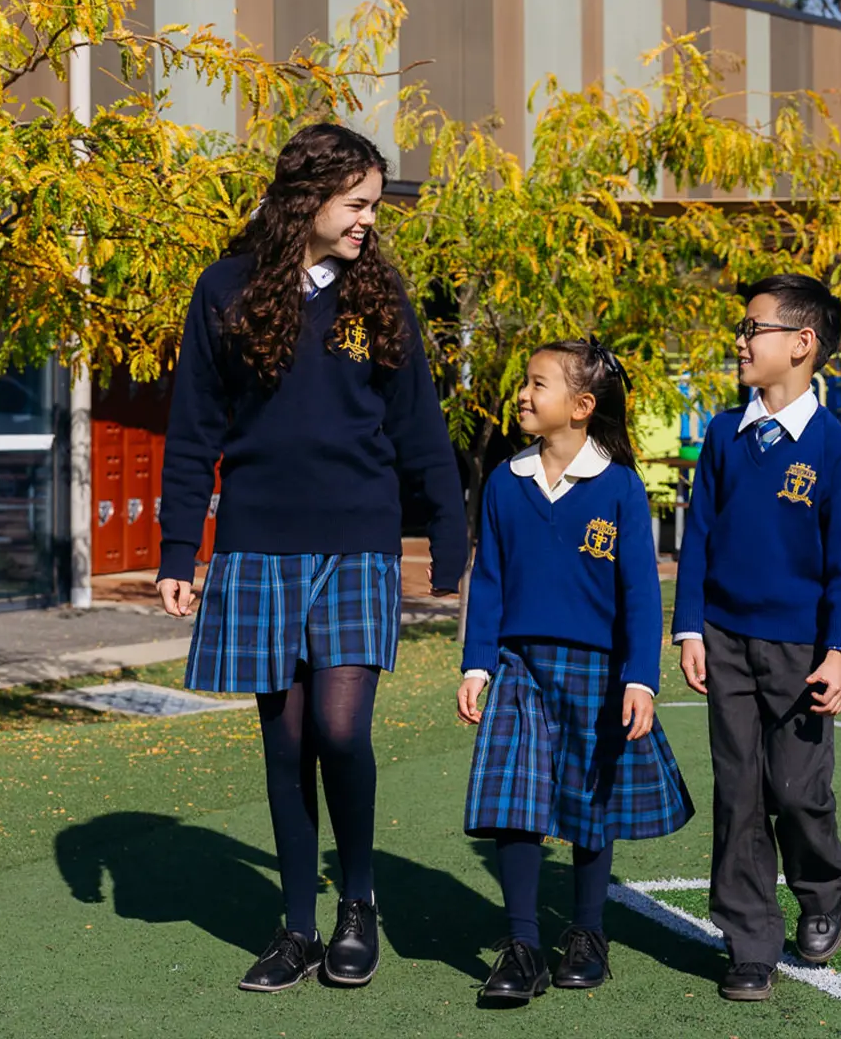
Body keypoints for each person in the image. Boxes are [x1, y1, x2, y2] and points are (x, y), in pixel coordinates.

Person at [156, 122, 467, 993]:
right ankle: (296, 927)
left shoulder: (379, 294)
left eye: (374, 205)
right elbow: (193, 429)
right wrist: (178, 549)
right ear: (308, 200)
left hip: (358, 539)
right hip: (257, 544)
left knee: (340, 728)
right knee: (285, 741)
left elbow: (417, 420)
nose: (370, 219)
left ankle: (356, 904)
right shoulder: (223, 289)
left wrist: (450, 531)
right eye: (356, 203)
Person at [457, 338, 694, 1003]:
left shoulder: (619, 486)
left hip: (599, 671)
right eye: (525, 382)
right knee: (514, 804)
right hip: (519, 667)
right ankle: (522, 946)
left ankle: (588, 933)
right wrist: (477, 666)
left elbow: (640, 594)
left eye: (539, 384)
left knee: (592, 803)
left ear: (582, 406)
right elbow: (489, 580)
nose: (523, 394)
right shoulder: (505, 481)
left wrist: (640, 679)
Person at [672, 274, 841, 1003]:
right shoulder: (723, 436)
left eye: (754, 328)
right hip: (724, 641)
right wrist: (689, 629)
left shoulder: (835, 448)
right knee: (739, 793)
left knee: (797, 789)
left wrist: (838, 652)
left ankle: (820, 891)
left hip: (801, 652)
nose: (741, 340)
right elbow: (699, 539)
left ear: (802, 343)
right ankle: (749, 942)